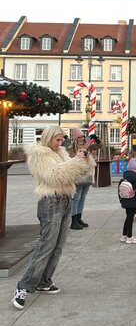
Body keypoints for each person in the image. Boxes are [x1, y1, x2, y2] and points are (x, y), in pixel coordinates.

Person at [11, 125, 95, 310]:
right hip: (50, 201)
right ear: (48, 138)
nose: (60, 143)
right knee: (46, 245)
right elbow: (55, 176)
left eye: (61, 139)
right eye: (57, 139)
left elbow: (76, 174)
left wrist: (84, 160)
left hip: (66, 200)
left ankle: (44, 281)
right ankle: (24, 287)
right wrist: (76, 162)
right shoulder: (38, 154)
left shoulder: (61, 152)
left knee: (58, 246)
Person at [69, 128, 95, 230]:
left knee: (82, 198)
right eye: (79, 137)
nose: (82, 139)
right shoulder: (71, 148)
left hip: (87, 175)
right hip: (78, 176)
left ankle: (79, 218)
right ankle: (73, 220)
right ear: (75, 138)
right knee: (76, 198)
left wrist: (96, 141)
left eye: (83, 137)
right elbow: (70, 161)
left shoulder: (86, 146)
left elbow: (99, 146)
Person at [119, 157, 136, 244]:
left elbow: (119, 190)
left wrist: (121, 200)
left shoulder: (124, 177)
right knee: (130, 218)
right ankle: (129, 237)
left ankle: (124, 235)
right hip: (134, 201)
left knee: (128, 217)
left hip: (125, 200)